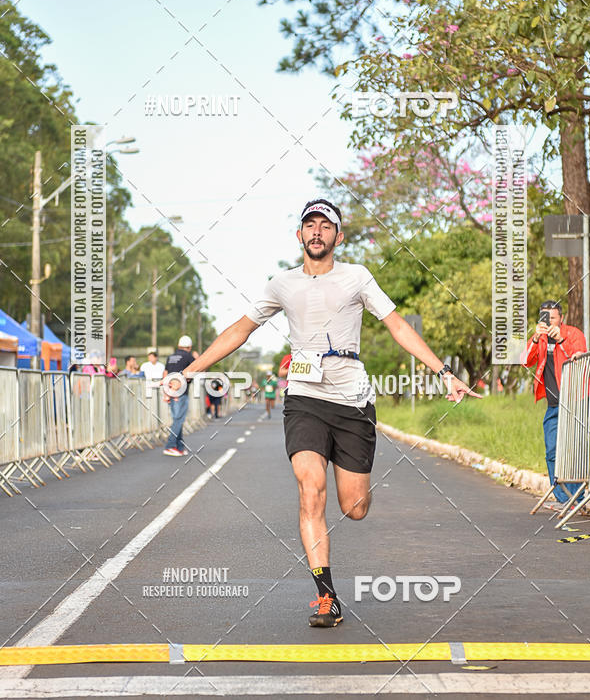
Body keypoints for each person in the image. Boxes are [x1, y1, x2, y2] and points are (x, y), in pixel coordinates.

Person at [181, 198, 476, 627]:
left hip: (352, 399)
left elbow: (396, 324)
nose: (317, 232)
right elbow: (241, 330)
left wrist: (444, 371)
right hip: (304, 397)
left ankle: (353, 474)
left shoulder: (356, 277)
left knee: (354, 506)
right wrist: (192, 370)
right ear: (299, 235)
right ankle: (326, 597)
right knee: (309, 487)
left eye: (325, 226)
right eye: (310, 225)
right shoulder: (281, 284)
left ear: (339, 236)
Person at [522, 300, 586, 510]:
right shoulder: (540, 339)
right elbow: (525, 361)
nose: (548, 321)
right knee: (552, 450)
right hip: (553, 403)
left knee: (574, 451)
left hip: (575, 401)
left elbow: (579, 359)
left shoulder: (573, 334)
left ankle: (578, 498)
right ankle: (562, 499)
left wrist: (561, 341)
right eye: (544, 317)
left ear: (561, 318)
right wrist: (534, 337)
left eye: (552, 317)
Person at [162, 336, 195, 456]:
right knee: (179, 419)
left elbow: (165, 373)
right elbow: (196, 370)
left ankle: (179, 446)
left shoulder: (170, 357)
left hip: (170, 391)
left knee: (177, 419)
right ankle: (170, 445)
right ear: (189, 347)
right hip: (181, 392)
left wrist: (166, 391)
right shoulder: (188, 357)